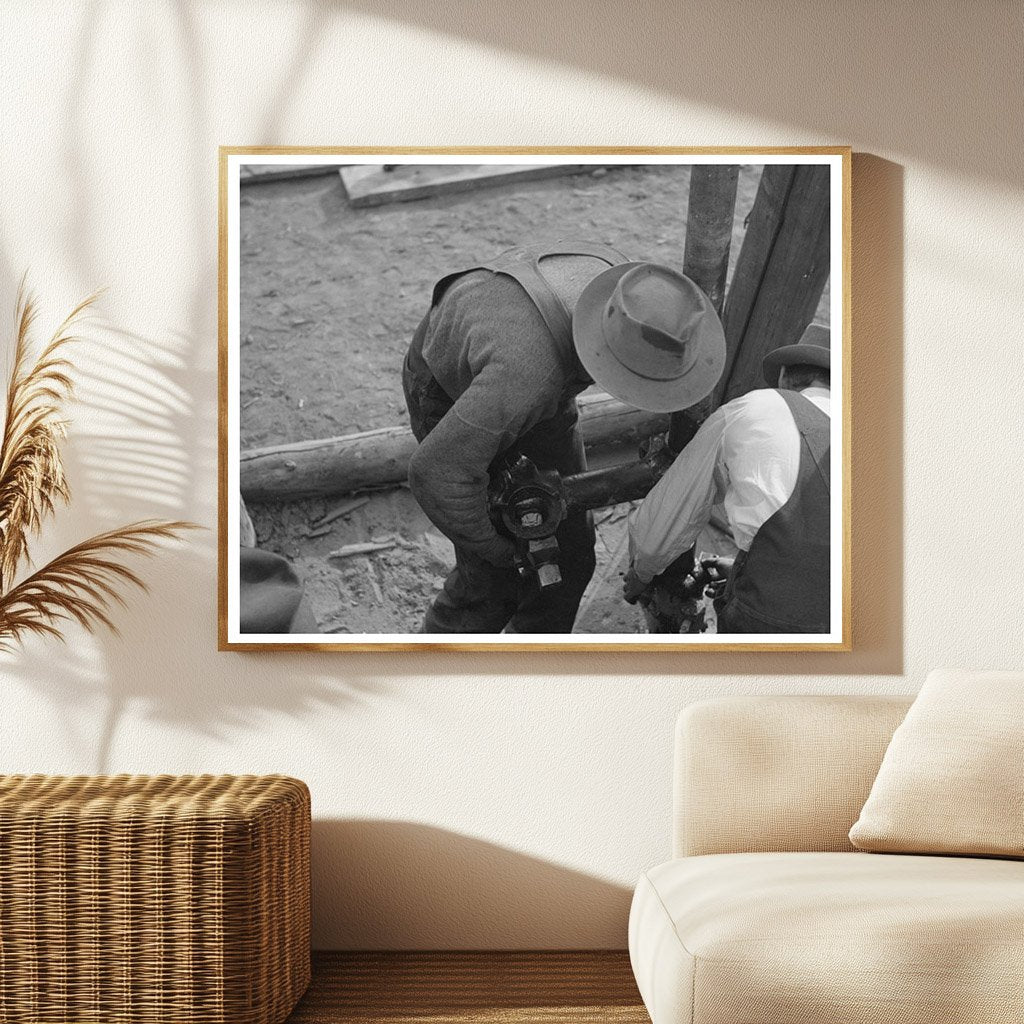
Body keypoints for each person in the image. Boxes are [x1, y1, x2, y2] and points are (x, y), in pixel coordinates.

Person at [403, 242, 726, 633]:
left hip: (521, 356)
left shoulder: (630, 291)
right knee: (492, 586)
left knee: (570, 558)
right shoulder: (524, 380)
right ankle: (434, 678)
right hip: (455, 377)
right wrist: (497, 550)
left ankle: (534, 665)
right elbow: (436, 474)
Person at [624, 322, 832, 634]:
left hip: (771, 621)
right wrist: (744, 565)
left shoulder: (758, 407)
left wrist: (641, 575)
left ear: (786, 376)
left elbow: (669, 515)